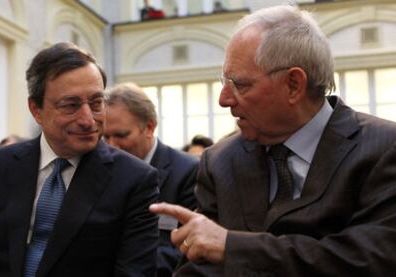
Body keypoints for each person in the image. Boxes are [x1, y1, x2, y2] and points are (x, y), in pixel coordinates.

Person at [150, 5, 396, 276]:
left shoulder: (383, 149)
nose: (223, 99)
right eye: (224, 81)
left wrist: (234, 248)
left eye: (240, 85)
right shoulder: (220, 162)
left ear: (293, 84)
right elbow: (200, 267)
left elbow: (371, 260)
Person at [0, 42, 159, 276]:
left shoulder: (135, 180)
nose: (88, 119)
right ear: (36, 110)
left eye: (96, 103)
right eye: (70, 105)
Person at [103, 82, 198, 277]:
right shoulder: (99, 170)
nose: (112, 146)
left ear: (149, 127)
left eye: (121, 135)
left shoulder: (188, 172)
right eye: (105, 137)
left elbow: (189, 246)